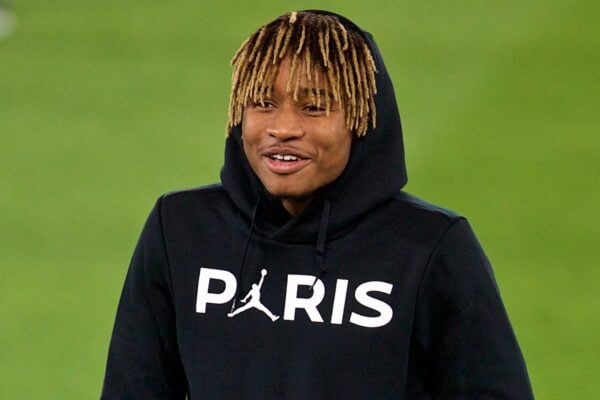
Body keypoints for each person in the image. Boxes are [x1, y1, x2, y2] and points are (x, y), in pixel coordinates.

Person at [101, 10, 534, 399]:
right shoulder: (182, 230)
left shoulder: (429, 245)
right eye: (263, 103)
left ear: (362, 120)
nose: (283, 128)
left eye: (314, 107)